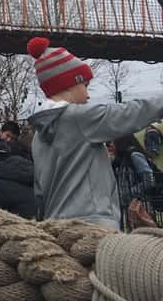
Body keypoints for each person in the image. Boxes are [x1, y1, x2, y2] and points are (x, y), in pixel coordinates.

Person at [26, 36, 163, 228]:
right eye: (85, 85)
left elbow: (40, 191)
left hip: (57, 225)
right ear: (69, 84)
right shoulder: (79, 118)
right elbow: (130, 113)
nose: (88, 95)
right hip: (94, 223)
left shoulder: (39, 136)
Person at [112, 135, 157, 230]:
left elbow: (149, 179)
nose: (113, 145)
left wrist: (130, 193)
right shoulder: (122, 159)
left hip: (140, 205)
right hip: (129, 205)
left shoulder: (134, 155)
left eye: (114, 143)